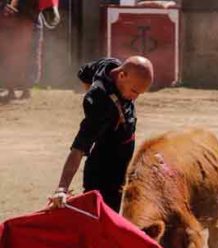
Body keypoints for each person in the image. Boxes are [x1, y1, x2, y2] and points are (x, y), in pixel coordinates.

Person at [48, 56, 154, 212]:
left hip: (124, 149)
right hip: (108, 162)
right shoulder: (100, 104)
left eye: (140, 93)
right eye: (134, 91)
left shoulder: (110, 65)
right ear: (122, 76)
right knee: (103, 213)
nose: (135, 98)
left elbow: (83, 73)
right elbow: (79, 148)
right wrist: (62, 188)